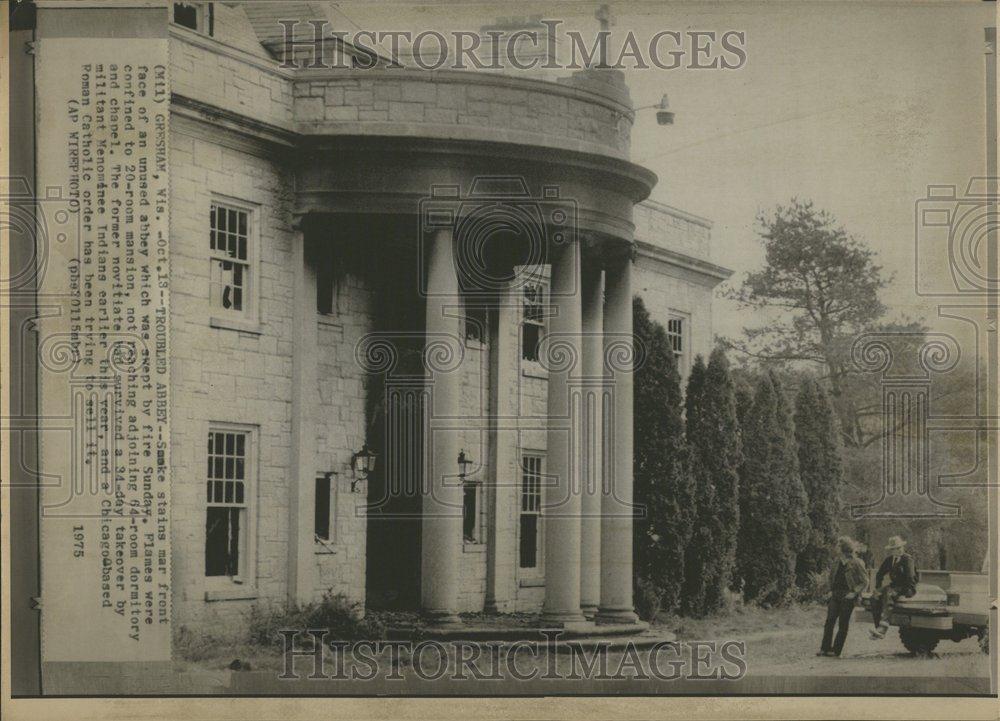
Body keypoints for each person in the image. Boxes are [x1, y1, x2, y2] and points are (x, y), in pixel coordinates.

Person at [818, 536, 869, 657]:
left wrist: (854, 593)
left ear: (843, 548)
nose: (836, 548)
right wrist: (830, 590)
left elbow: (865, 581)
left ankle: (836, 651)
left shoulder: (856, 562)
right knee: (829, 621)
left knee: (843, 623)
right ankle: (824, 649)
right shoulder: (836, 561)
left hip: (848, 596)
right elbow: (831, 578)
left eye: (838, 546)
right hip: (835, 595)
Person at [869, 535, 917, 639]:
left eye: (900, 548)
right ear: (891, 550)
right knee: (874, 597)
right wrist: (877, 587)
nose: (899, 550)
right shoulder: (889, 560)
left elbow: (911, 576)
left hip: (905, 587)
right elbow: (880, 573)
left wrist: (910, 590)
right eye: (896, 549)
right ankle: (878, 628)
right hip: (894, 586)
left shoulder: (907, 559)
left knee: (888, 595)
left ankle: (883, 628)